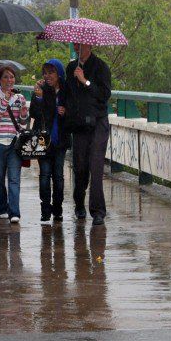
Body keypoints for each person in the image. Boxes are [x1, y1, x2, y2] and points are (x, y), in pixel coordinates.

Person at [65, 43, 112, 225]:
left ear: (89, 45)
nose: (77, 47)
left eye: (80, 45)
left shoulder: (101, 67)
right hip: (80, 124)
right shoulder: (71, 67)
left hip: (98, 122)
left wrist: (85, 81)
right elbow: (68, 94)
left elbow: (104, 94)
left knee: (96, 165)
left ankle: (98, 211)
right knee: (80, 167)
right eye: (75, 44)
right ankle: (79, 203)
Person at [0, 65, 28, 223]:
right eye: (5, 77)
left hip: (14, 144)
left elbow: (22, 123)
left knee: (14, 179)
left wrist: (23, 114)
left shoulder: (20, 97)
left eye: (12, 77)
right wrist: (5, 100)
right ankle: (2, 208)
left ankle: (14, 212)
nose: (9, 80)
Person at [30, 59, 69, 224]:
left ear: (59, 74)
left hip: (60, 139)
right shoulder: (40, 89)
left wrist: (66, 111)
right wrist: (39, 98)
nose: (47, 76)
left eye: (51, 72)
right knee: (45, 175)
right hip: (43, 138)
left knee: (58, 176)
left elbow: (74, 111)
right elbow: (34, 113)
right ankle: (45, 209)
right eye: (45, 73)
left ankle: (58, 209)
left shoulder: (67, 90)